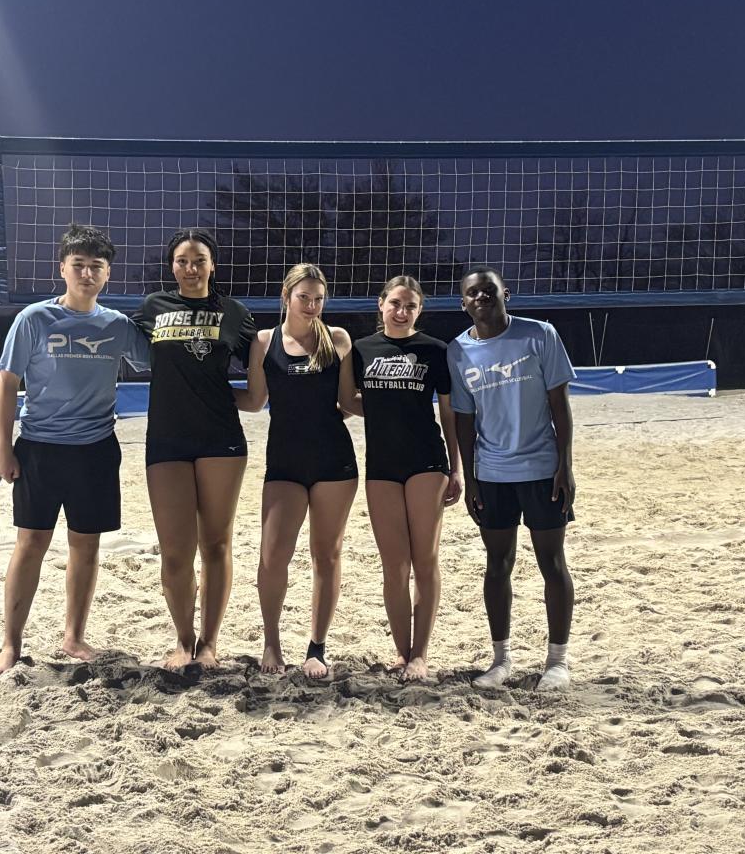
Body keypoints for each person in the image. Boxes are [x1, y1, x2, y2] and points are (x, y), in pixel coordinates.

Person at [0, 223, 150, 676]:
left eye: (97, 266)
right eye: (79, 265)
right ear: (62, 269)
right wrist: (3, 449)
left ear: (108, 274)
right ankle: (11, 644)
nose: (87, 274)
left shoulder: (117, 326)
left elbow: (162, 361)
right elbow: (7, 384)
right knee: (30, 544)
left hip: (95, 450)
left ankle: (73, 636)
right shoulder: (34, 319)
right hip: (40, 448)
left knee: (85, 546)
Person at [132, 229, 257, 670]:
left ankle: (209, 642)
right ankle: (183, 639)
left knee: (216, 544)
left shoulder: (234, 313)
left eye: (199, 260)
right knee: (175, 552)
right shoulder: (152, 308)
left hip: (220, 438)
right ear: (172, 266)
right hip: (167, 438)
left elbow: (264, 371)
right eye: (183, 261)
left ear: (212, 265)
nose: (191, 268)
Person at [448, 268, 577, 693]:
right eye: (473, 293)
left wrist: (565, 465)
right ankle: (501, 659)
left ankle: (557, 662)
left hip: (542, 469)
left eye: (489, 290)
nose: (481, 297)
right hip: (492, 473)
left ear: (506, 293)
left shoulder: (540, 334)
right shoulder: (459, 351)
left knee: (551, 562)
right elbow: (464, 420)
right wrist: (471, 478)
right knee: (497, 563)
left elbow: (559, 404)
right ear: (463, 303)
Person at [238, 264, 358, 678]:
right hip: (285, 461)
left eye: (318, 299)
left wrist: (401, 402)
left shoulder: (337, 339)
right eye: (303, 297)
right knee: (273, 556)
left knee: (327, 554)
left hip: (334, 460)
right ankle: (271, 642)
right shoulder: (264, 341)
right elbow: (255, 401)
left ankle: (316, 647)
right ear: (286, 297)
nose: (311, 305)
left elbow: (349, 402)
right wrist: (200, 393)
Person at [340, 275, 463, 681]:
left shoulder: (435, 350)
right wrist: (382, 408)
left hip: (426, 462)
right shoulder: (362, 350)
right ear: (381, 304)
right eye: (395, 303)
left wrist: (457, 467)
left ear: (419, 310)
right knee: (394, 566)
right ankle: (401, 651)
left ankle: (420, 655)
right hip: (382, 466)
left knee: (424, 560)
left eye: (410, 306)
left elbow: (449, 413)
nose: (401, 311)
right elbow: (347, 400)